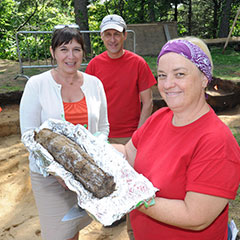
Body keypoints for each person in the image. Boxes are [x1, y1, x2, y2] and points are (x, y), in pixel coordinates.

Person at [113, 36, 240, 239]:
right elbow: (128, 153)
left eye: (179, 74)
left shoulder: (216, 142)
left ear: (204, 79)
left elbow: (195, 216)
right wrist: (91, 150)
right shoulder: (159, 118)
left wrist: (131, 197)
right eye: (162, 75)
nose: (168, 84)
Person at [19, 24, 109, 240]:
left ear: (83, 53)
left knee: (73, 228)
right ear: (53, 52)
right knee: (57, 233)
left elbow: (103, 128)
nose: (71, 56)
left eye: (76, 49)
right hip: (49, 177)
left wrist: (95, 154)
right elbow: (29, 136)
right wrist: (57, 172)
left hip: (85, 175)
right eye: (64, 49)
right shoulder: (37, 85)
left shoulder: (94, 84)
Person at [85, 15, 156, 236]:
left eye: (117, 34)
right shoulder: (95, 65)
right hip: (103, 136)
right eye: (108, 34)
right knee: (109, 180)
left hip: (131, 136)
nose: (113, 39)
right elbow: (88, 102)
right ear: (102, 37)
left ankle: (133, 230)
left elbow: (148, 102)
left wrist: (139, 134)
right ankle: (115, 214)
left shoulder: (138, 63)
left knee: (132, 183)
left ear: (124, 36)